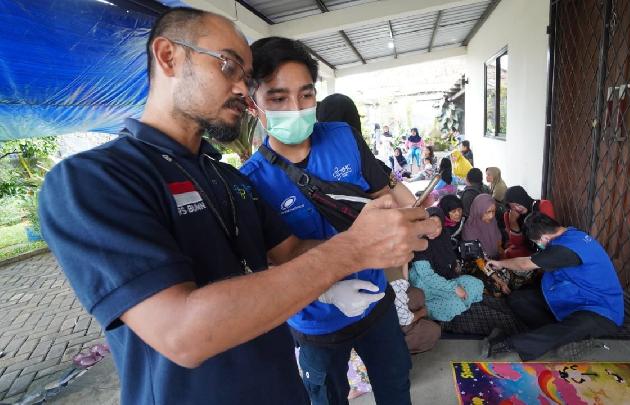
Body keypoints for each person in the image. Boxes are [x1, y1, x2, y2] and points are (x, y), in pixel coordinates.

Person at [37, 9, 438, 405]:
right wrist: (352, 249)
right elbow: (184, 333)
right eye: (228, 67)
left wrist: (371, 247)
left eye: (246, 78)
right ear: (168, 56)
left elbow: (292, 251)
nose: (244, 91)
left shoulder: (229, 181)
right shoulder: (96, 179)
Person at [240, 36, 425, 405]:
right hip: (315, 321)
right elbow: (276, 258)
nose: (296, 108)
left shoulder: (343, 137)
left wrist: (409, 223)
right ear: (252, 104)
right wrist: (324, 290)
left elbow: (380, 196)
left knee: (395, 385)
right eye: (278, 98)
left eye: (306, 95)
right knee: (327, 398)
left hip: (376, 301)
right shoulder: (249, 181)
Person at [483, 213, 624, 361]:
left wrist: (500, 263)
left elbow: (524, 264)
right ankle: (563, 339)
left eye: (536, 242)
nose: (539, 246)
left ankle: (510, 345)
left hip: (602, 311)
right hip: (573, 298)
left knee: (579, 326)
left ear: (544, 238)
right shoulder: (570, 234)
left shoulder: (566, 248)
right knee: (519, 299)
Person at [409, 196, 484, 321]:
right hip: (424, 281)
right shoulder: (420, 244)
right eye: (429, 225)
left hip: (444, 277)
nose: (433, 230)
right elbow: (427, 276)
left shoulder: (444, 236)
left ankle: (457, 303)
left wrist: (454, 266)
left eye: (437, 226)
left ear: (443, 226)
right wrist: (454, 287)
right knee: (454, 301)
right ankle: (426, 310)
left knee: (475, 284)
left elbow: (450, 257)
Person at [389, 266, 441, 354]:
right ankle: (395, 347)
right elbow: (404, 320)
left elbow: (404, 282)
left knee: (417, 295)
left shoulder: (390, 269)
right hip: (380, 323)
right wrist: (421, 313)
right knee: (433, 331)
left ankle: (415, 324)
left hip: (389, 304)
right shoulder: (395, 282)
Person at [504, 185, 556, 259]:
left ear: (524, 199)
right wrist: (513, 222)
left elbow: (550, 234)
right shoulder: (509, 215)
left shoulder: (542, 206)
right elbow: (517, 243)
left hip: (545, 246)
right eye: (513, 207)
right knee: (509, 253)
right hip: (528, 248)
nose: (517, 209)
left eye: (518, 204)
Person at [461, 194, 502, 260]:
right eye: (487, 212)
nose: (491, 216)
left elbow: (498, 242)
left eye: (493, 211)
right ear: (478, 211)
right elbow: (475, 257)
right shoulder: (469, 229)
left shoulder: (492, 221)